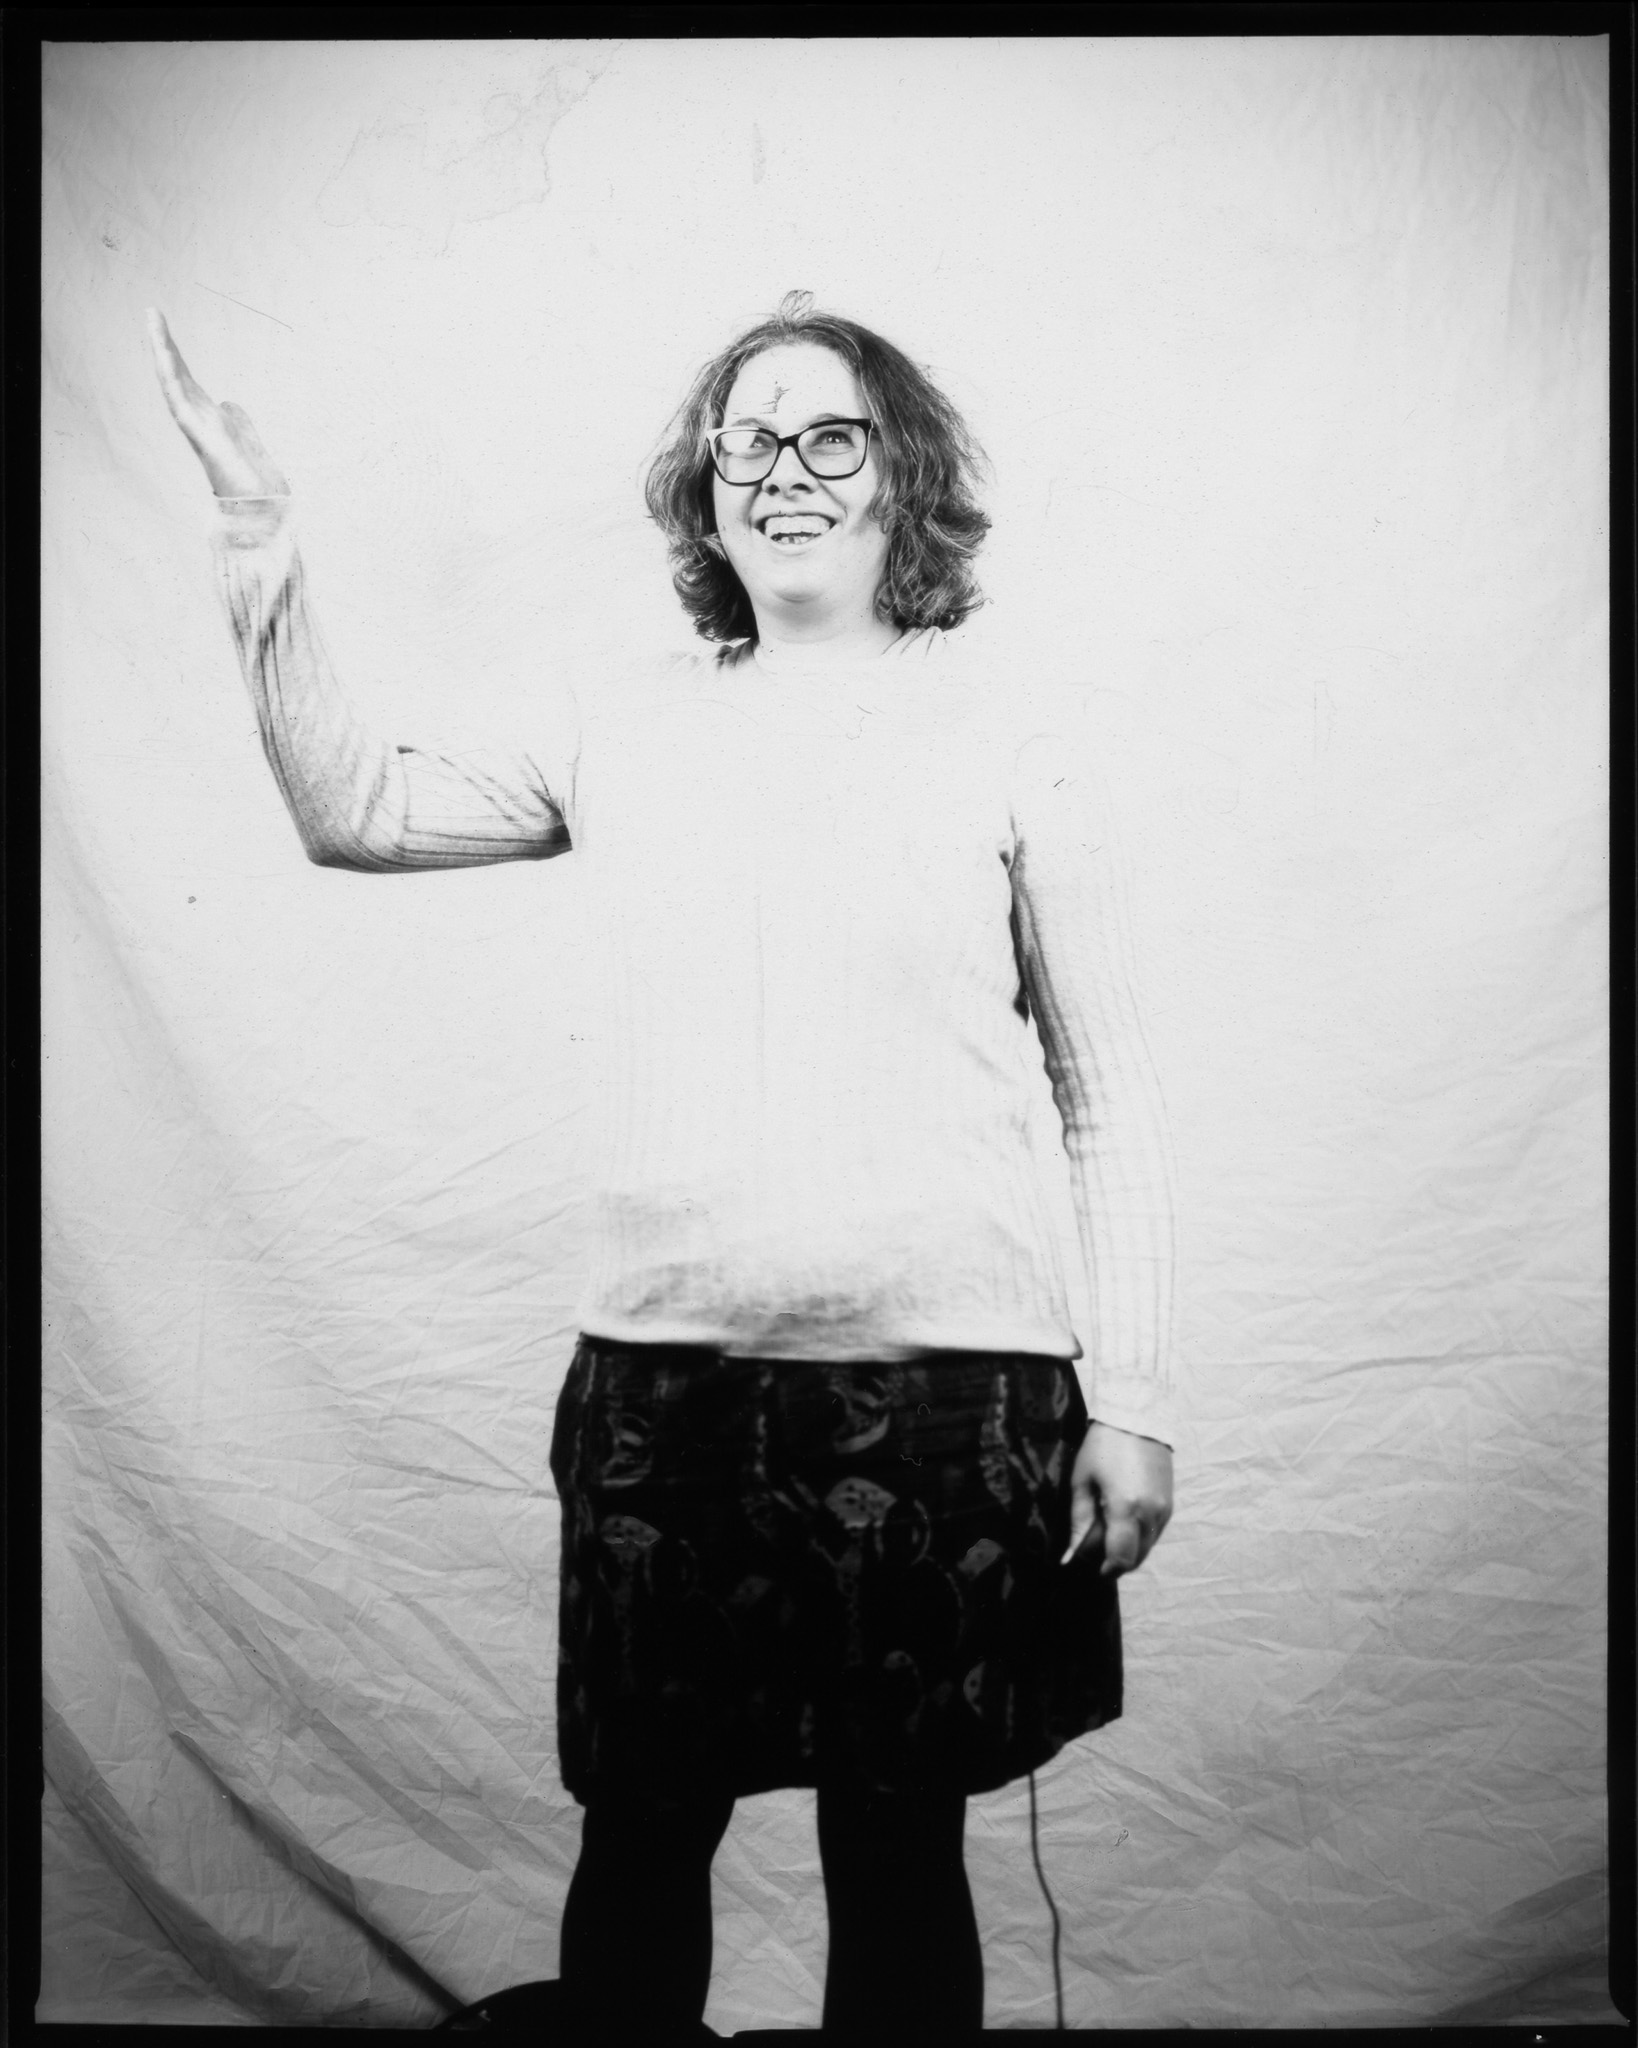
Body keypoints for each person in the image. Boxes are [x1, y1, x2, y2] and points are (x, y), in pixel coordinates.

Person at [148, 290, 1177, 2042]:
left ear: (899, 479)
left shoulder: (1010, 731)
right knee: (642, 1829)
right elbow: (355, 810)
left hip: (949, 1403)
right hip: (666, 1400)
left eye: (829, 435)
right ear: (706, 493)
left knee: (897, 1845)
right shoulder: (618, 719)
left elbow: (1108, 1097)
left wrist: (1136, 1391)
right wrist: (264, 546)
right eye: (745, 439)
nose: (784, 471)